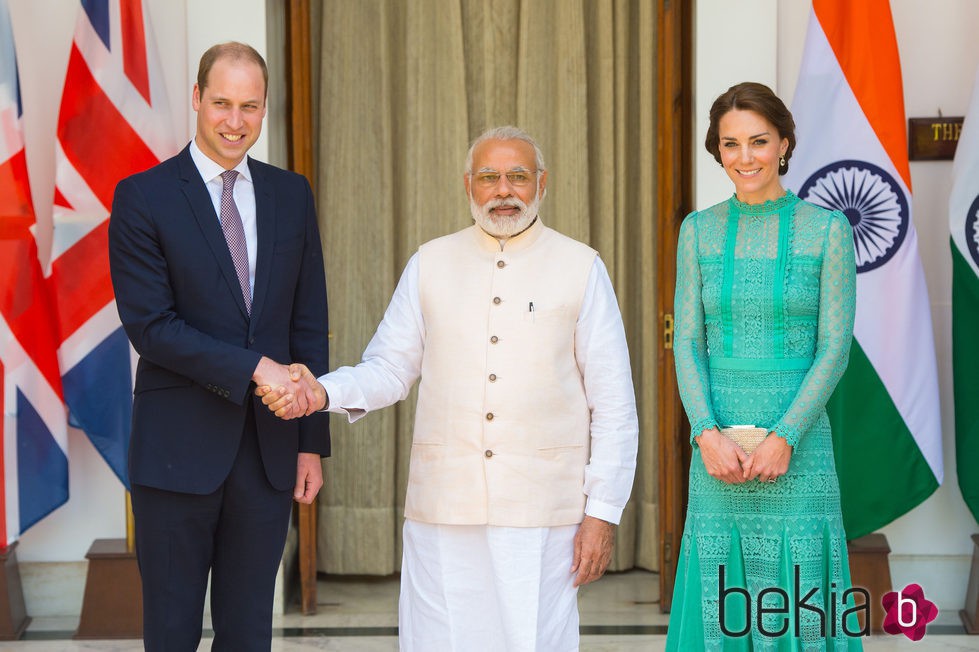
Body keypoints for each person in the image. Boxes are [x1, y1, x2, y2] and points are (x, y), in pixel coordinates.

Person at [260, 126, 639, 651]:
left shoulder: (581, 267)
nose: (503, 190)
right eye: (489, 177)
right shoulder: (430, 263)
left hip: (542, 511)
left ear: (542, 183)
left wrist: (603, 512)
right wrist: (320, 392)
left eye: (518, 176)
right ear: (468, 185)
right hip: (442, 507)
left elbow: (615, 405)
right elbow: (389, 369)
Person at [107, 42, 329, 651]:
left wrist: (310, 444)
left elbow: (308, 324)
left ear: (265, 110)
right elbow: (151, 327)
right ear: (198, 99)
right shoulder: (142, 197)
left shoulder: (291, 195)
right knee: (173, 632)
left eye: (250, 106)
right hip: (176, 455)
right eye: (223, 103)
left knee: (249, 631)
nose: (236, 121)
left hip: (268, 454)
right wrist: (256, 366)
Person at [665, 82, 863, 650]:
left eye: (758, 141)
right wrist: (705, 435)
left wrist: (785, 438)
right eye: (731, 144)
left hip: (798, 450)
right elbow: (690, 343)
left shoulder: (828, 230)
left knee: (798, 594)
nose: (744, 157)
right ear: (717, 150)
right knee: (721, 590)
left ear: (784, 143)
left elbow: (835, 347)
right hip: (717, 447)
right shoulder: (696, 232)